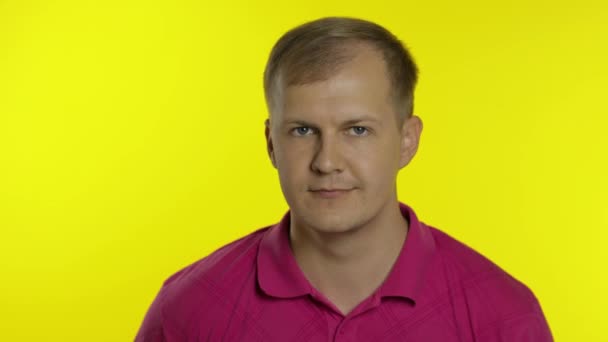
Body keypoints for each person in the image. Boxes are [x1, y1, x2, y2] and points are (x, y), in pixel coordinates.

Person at [134, 16, 553, 341]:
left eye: (357, 130)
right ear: (271, 143)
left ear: (407, 140)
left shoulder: (503, 316)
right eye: (302, 130)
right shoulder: (189, 310)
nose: (327, 161)